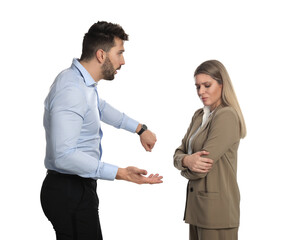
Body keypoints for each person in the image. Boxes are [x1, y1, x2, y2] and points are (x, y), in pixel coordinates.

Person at [40, 21, 163, 240]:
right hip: (69, 190)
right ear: (101, 55)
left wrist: (140, 129)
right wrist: (122, 173)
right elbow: (63, 155)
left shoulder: (83, 84)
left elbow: (100, 108)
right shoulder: (71, 89)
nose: (123, 61)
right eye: (119, 53)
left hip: (76, 188)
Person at [173, 60, 246, 240]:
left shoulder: (227, 115)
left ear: (222, 84)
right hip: (197, 209)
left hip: (217, 213)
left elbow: (203, 166)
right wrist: (185, 161)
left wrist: (182, 166)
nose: (201, 92)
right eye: (197, 86)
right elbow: (178, 152)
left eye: (207, 85)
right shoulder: (199, 115)